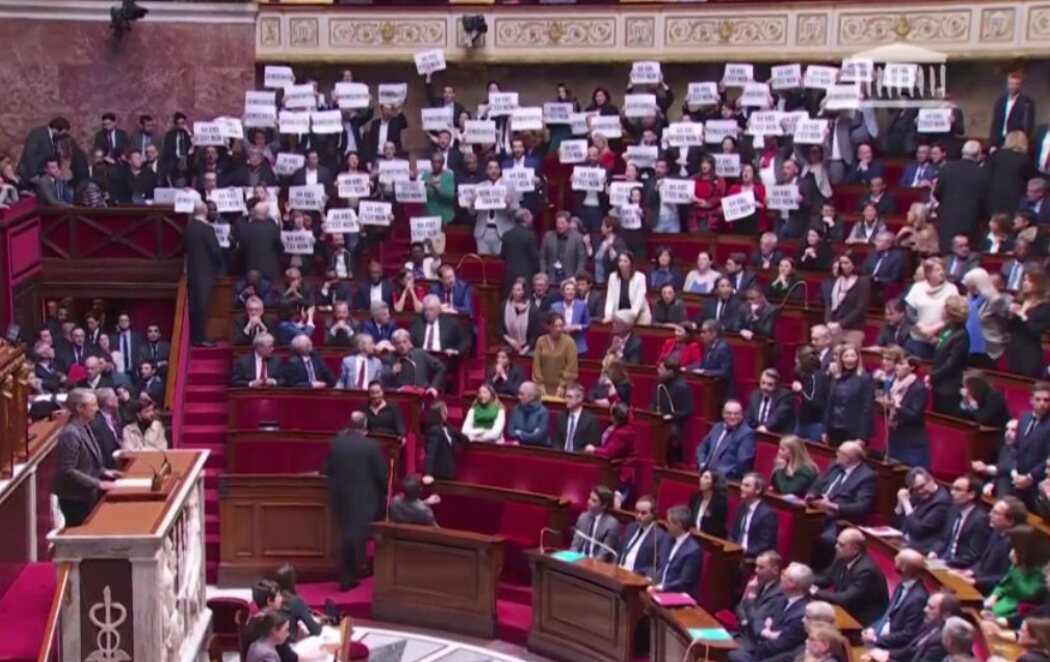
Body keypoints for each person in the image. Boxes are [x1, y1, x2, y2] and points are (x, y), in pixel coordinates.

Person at [321, 411, 387, 590]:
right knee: (354, 536)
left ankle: (348, 576)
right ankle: (351, 575)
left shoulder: (336, 443)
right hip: (364, 498)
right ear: (365, 427)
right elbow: (381, 476)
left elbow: (327, 469)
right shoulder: (372, 446)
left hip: (340, 496)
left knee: (346, 535)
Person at [51, 389, 119, 527]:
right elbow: (67, 470)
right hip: (75, 498)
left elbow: (89, 459)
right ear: (80, 408)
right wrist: (98, 483)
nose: (97, 409)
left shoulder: (85, 426)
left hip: (86, 494)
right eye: (93, 405)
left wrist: (104, 471)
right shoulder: (70, 433)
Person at [807, 442, 877, 565]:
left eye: (840, 453)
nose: (836, 454)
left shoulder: (867, 476)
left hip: (841, 518)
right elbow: (818, 483)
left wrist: (833, 506)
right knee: (798, 528)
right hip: (817, 510)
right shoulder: (834, 465)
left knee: (825, 540)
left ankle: (819, 572)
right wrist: (812, 495)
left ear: (849, 458)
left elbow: (862, 507)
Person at [814, 528, 889, 626]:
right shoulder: (841, 559)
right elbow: (825, 579)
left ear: (855, 549)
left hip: (861, 619)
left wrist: (815, 592)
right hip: (845, 610)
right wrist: (803, 579)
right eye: (837, 543)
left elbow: (846, 598)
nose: (836, 547)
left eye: (841, 545)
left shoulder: (866, 571)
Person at [932, 140, 989, 249]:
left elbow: (937, 194)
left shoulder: (946, 169)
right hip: (971, 223)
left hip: (947, 221)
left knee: (947, 256)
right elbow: (984, 202)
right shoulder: (983, 174)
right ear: (978, 155)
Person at [986, 525, 1050, 619]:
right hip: (1003, 604)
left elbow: (1028, 593)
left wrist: (1019, 569)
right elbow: (1004, 585)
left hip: (1022, 611)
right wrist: (993, 597)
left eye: (1015, 547)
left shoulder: (1043, 572)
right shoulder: (1017, 564)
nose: (1012, 550)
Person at [930, 475, 991, 570]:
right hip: (941, 561)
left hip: (960, 568)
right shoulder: (953, 510)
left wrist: (946, 563)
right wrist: (934, 552)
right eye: (952, 488)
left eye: (958, 489)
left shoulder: (980, 519)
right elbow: (943, 539)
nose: (952, 492)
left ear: (971, 494)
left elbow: (973, 555)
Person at [183, 201, 223, 347]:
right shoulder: (207, 230)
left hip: (192, 271)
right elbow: (216, 252)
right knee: (202, 306)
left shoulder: (188, 229)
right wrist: (220, 266)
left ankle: (196, 336)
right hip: (205, 272)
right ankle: (200, 338)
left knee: (196, 305)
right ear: (205, 212)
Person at [881, 355, 930, 467]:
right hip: (894, 435)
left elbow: (915, 415)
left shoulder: (918, 388)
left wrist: (896, 406)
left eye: (902, 364)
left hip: (911, 441)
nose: (897, 367)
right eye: (897, 363)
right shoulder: (893, 385)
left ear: (912, 368)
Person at [732, 551, 786, 651]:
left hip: (754, 642)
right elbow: (740, 606)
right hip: (743, 632)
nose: (756, 570)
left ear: (775, 570)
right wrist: (744, 621)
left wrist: (751, 598)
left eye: (761, 567)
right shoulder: (758, 582)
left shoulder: (779, 594)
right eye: (756, 566)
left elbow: (757, 617)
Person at [822, 346, 874, 446]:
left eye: (853, 356)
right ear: (841, 359)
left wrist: (862, 436)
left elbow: (867, 409)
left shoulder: (864, 378)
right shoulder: (836, 377)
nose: (850, 359)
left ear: (858, 358)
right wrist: (825, 430)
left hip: (853, 431)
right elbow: (829, 405)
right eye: (846, 356)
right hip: (835, 429)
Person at [894, 467, 950, 555]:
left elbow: (918, 530)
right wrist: (899, 504)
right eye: (916, 489)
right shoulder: (918, 494)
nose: (920, 491)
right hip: (904, 542)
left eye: (922, 486)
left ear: (931, 480)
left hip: (921, 549)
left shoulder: (941, 502)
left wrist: (905, 503)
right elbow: (898, 523)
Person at [696, 400, 755, 480]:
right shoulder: (717, 427)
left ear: (742, 415)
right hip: (706, 473)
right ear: (723, 414)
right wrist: (702, 464)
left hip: (726, 479)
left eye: (736, 414)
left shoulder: (747, 433)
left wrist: (717, 475)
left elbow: (743, 462)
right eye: (729, 413)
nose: (732, 417)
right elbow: (701, 448)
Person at [1006, 270, 1050, 378]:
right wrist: (1010, 316)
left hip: (1030, 351)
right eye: (1024, 280)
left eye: (1029, 281)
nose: (1024, 283)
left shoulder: (1045, 307)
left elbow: (1035, 329)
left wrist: (1023, 316)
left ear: (1038, 284)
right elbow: (1009, 328)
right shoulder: (1019, 301)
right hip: (1014, 348)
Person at [653, 505, 703, 598]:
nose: (666, 525)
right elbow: (658, 565)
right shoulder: (667, 539)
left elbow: (685, 582)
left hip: (676, 595)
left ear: (679, 525)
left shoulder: (693, 551)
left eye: (669, 523)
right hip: (657, 588)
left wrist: (662, 587)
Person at [826, 252, 870, 348]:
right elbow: (830, 303)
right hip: (835, 327)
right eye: (841, 263)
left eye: (846, 263)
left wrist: (841, 324)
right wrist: (828, 322)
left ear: (854, 264)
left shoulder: (862, 281)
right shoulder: (837, 280)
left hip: (853, 328)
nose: (843, 266)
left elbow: (860, 307)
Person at [381, 329, 445, 395]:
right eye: (398, 343)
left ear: (410, 342)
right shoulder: (389, 358)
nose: (402, 346)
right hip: (401, 396)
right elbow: (382, 379)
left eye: (404, 342)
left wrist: (434, 386)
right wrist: (392, 372)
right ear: (394, 345)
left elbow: (441, 367)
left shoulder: (421, 354)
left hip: (422, 393)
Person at [730, 473, 778, 558]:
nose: (741, 488)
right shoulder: (742, 507)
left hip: (752, 558)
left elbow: (765, 545)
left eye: (746, 486)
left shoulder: (767, 515)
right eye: (741, 484)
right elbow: (733, 533)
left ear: (758, 490)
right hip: (735, 554)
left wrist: (744, 552)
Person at [618, 495, 665, 580]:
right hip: (619, 573)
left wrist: (641, 574)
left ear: (653, 514)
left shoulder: (659, 536)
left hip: (637, 578)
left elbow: (656, 566)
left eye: (643, 513)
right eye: (637, 512)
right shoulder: (631, 527)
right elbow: (620, 551)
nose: (639, 516)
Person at [531, 313, 578, 397]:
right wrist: (540, 384)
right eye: (555, 326)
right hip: (543, 387)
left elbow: (571, 367)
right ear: (549, 327)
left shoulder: (570, 342)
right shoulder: (541, 341)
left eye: (561, 326)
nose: (559, 329)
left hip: (563, 388)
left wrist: (562, 385)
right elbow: (536, 365)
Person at [273, 564, 322, 643]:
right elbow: (315, 630)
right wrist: (321, 624)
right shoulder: (296, 602)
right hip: (289, 646)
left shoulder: (272, 599)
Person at [570, 486, 619, 561]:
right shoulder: (583, 517)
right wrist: (571, 559)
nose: (588, 502)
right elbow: (575, 545)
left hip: (595, 564)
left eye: (594, 501)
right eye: (589, 498)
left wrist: (589, 564)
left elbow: (604, 553)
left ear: (604, 505)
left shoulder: (611, 524)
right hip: (577, 560)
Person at [238, 202, 284, 282]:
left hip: (251, 271)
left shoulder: (245, 229)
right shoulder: (273, 228)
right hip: (270, 271)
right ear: (267, 214)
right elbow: (279, 248)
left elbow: (241, 251)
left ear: (255, 212)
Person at [602, 251, 652, 325]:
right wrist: (608, 315)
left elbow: (639, 300)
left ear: (631, 264)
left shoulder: (640, 277)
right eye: (620, 261)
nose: (622, 264)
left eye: (625, 261)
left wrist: (631, 317)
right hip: (620, 313)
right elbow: (610, 298)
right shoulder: (613, 277)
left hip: (639, 315)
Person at [422, 401, 467, 481]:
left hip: (449, 471)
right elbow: (431, 452)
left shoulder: (447, 427)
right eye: (444, 411)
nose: (447, 412)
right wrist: (428, 474)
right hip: (439, 474)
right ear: (439, 414)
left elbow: (464, 438)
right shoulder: (434, 431)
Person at [989, 72, 1036, 147]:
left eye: (1016, 84)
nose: (1012, 86)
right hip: (999, 140)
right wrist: (992, 143)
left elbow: (1029, 126)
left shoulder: (1027, 102)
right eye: (1010, 83)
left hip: (1015, 142)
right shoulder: (1001, 101)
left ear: (1020, 85)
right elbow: (995, 123)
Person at [540, 211, 588, 283]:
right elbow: (542, 257)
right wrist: (543, 274)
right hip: (551, 278)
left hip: (570, 278)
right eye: (558, 223)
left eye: (562, 223)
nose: (560, 226)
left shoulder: (578, 238)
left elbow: (582, 259)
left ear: (569, 224)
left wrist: (576, 277)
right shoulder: (548, 236)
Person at [690, 319, 735, 395]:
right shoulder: (709, 345)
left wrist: (705, 372)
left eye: (704, 332)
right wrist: (687, 368)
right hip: (710, 389)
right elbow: (703, 364)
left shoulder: (723, 348)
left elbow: (726, 372)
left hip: (722, 392)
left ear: (714, 333)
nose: (701, 335)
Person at [745, 368, 795, 434]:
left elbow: (778, 416)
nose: (765, 387)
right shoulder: (755, 395)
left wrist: (766, 427)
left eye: (770, 384)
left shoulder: (785, 396)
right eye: (763, 383)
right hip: (757, 433)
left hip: (777, 435)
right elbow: (748, 417)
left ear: (777, 385)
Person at [550, 278, 591, 356]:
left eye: (573, 290)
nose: (570, 292)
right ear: (563, 292)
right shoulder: (555, 307)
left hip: (578, 346)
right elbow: (550, 326)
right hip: (559, 344)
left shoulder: (582, 305)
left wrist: (577, 327)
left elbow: (588, 324)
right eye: (568, 289)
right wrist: (561, 328)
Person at [554, 384, 600, 452]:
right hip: (561, 456)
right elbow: (556, 441)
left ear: (580, 399)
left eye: (569, 397)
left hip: (580, 458)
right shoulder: (561, 417)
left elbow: (591, 445)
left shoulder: (591, 420)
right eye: (565, 397)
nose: (566, 400)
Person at [500, 278, 540, 356]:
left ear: (524, 291)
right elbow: (499, 329)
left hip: (528, 348)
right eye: (514, 289)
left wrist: (526, 348)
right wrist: (510, 340)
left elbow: (535, 335)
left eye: (518, 290)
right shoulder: (504, 306)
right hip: (508, 345)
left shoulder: (533, 309)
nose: (515, 292)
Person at [506, 381, 550, 447]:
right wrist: (531, 434)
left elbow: (538, 437)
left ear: (531, 396)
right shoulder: (516, 409)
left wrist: (520, 433)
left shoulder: (543, 412)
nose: (519, 397)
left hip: (536, 448)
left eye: (522, 394)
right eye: (519, 394)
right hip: (517, 446)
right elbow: (510, 432)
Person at [688, 469, 729, 538]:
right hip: (693, 536)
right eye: (702, 476)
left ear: (714, 482)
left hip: (710, 539)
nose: (701, 480)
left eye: (706, 478)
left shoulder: (720, 503)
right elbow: (689, 519)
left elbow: (717, 529)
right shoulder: (695, 498)